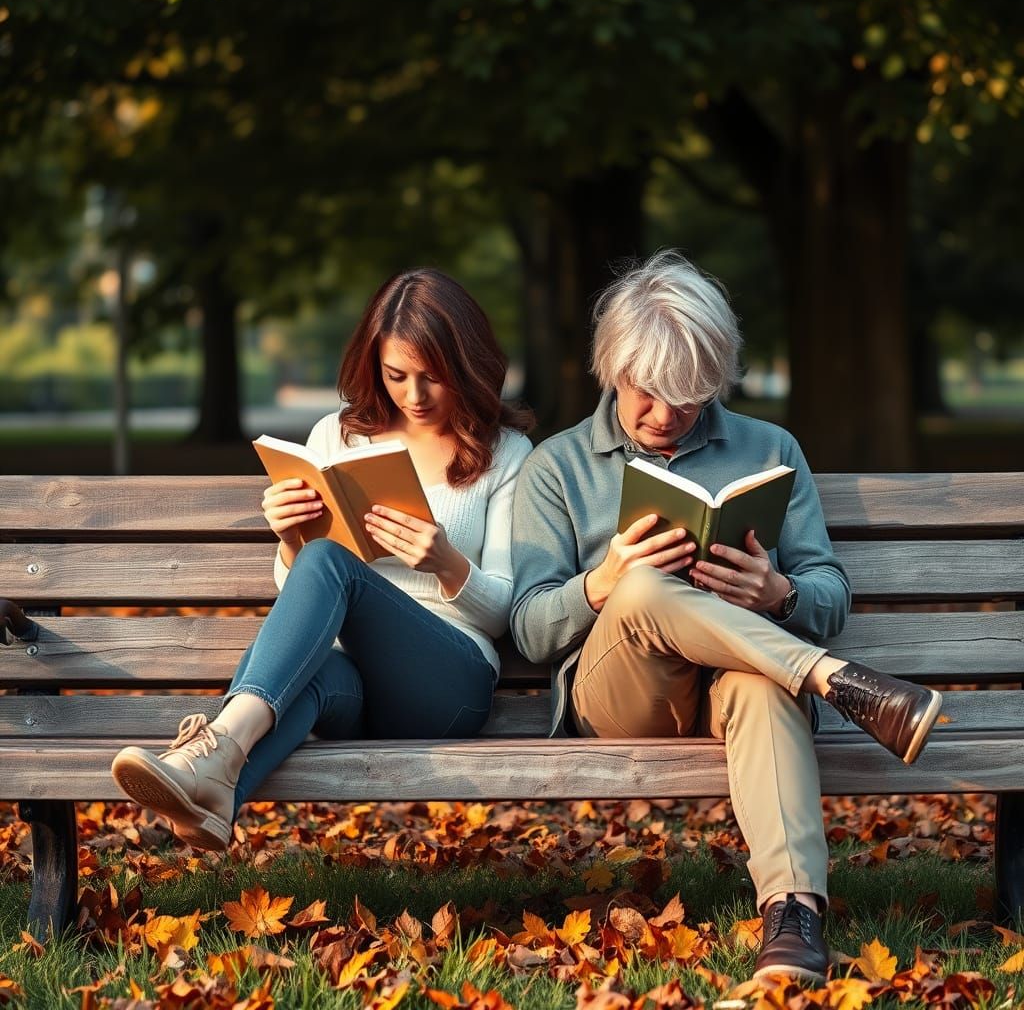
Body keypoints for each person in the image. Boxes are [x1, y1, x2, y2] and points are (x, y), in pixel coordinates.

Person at [509, 251, 941, 983]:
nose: (665, 415)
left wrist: (778, 594)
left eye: (689, 394)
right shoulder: (558, 466)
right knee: (643, 588)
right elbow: (527, 626)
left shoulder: (769, 449)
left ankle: (794, 920)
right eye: (646, 391)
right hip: (622, 695)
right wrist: (604, 580)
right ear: (611, 367)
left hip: (736, 688)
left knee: (763, 684)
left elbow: (828, 590)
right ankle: (838, 683)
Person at [111, 269, 533, 851]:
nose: (414, 396)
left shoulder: (508, 454)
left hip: (447, 682)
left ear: (468, 365)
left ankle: (211, 744)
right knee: (307, 674)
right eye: (396, 376)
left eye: (434, 377)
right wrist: (289, 538)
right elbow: (299, 589)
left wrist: (445, 562)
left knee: (330, 562)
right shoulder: (336, 436)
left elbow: (511, 612)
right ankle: (213, 798)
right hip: (354, 683)